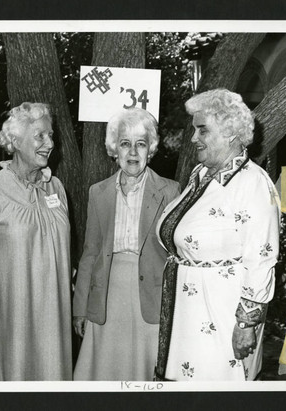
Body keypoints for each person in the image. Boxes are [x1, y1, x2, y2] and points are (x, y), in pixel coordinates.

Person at [155, 89, 280, 381]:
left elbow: (261, 258)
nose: (193, 138)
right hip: (188, 312)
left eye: (202, 130)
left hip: (220, 315)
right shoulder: (202, 174)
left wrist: (246, 324)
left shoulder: (252, 184)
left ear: (230, 133)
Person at [0, 102, 72, 381]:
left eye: (50, 136)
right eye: (40, 136)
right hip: (12, 311)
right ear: (16, 141)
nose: (49, 143)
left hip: (55, 309)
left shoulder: (56, 188)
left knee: (53, 372)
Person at [72, 107, 180, 381]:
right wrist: (80, 308)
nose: (133, 153)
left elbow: (177, 256)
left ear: (151, 149)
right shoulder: (98, 192)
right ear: (114, 149)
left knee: (147, 371)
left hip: (151, 296)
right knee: (105, 370)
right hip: (108, 292)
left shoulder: (170, 191)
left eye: (141, 144)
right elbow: (90, 253)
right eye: (125, 144)